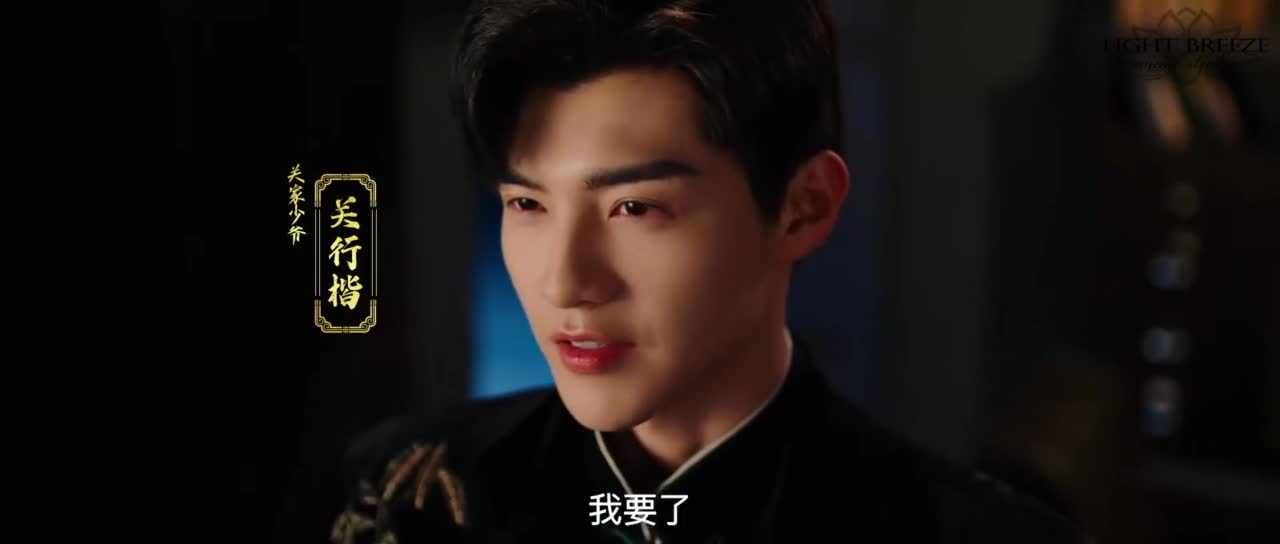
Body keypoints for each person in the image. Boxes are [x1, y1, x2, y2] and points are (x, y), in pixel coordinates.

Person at [329, 1, 1086, 542]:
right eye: (527, 204)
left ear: (804, 207)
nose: (564, 283)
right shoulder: (416, 491)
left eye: (634, 208)